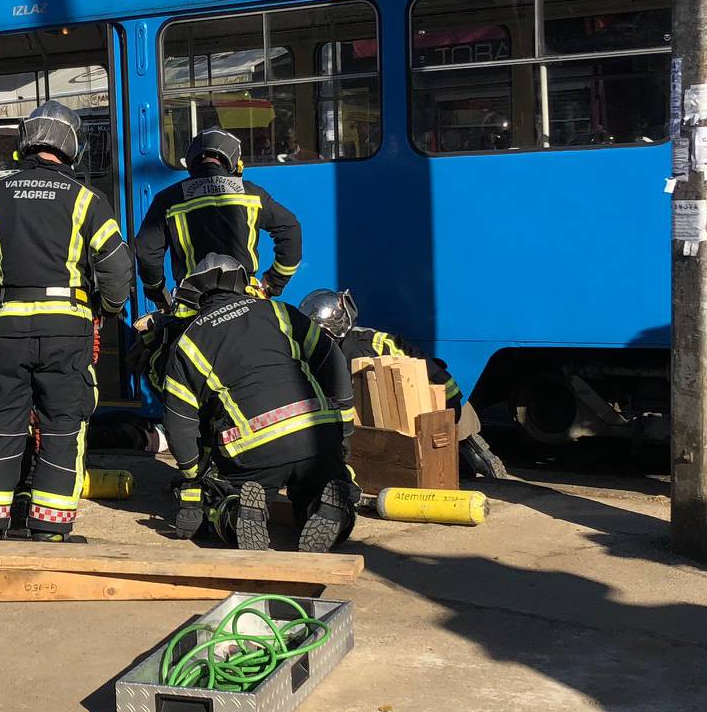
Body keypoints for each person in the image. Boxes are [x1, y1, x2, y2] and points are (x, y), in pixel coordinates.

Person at [0, 100, 133, 541]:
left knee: (0, 422)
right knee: (63, 424)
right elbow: (117, 266)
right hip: (66, 329)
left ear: (28, 140)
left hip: (9, 328)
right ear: (70, 146)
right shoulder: (86, 199)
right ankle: (48, 528)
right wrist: (109, 308)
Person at [163, 253, 356, 552]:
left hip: (253, 448)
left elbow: (179, 422)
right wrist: (343, 428)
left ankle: (238, 511)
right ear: (241, 285)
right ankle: (326, 507)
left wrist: (193, 476)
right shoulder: (280, 311)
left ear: (196, 294)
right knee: (326, 487)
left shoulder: (188, 342)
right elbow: (332, 361)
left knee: (222, 497)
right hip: (316, 436)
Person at [299, 286, 508, 479]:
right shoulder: (372, 339)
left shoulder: (327, 356)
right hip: (434, 408)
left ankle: (464, 448)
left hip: (390, 424)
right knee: (440, 451)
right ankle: (466, 446)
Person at [132, 128, 301, 311]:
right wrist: (272, 284)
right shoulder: (252, 194)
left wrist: (157, 292)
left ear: (192, 162)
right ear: (232, 161)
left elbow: (146, 251)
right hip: (245, 300)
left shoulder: (168, 198)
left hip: (192, 305)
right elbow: (290, 229)